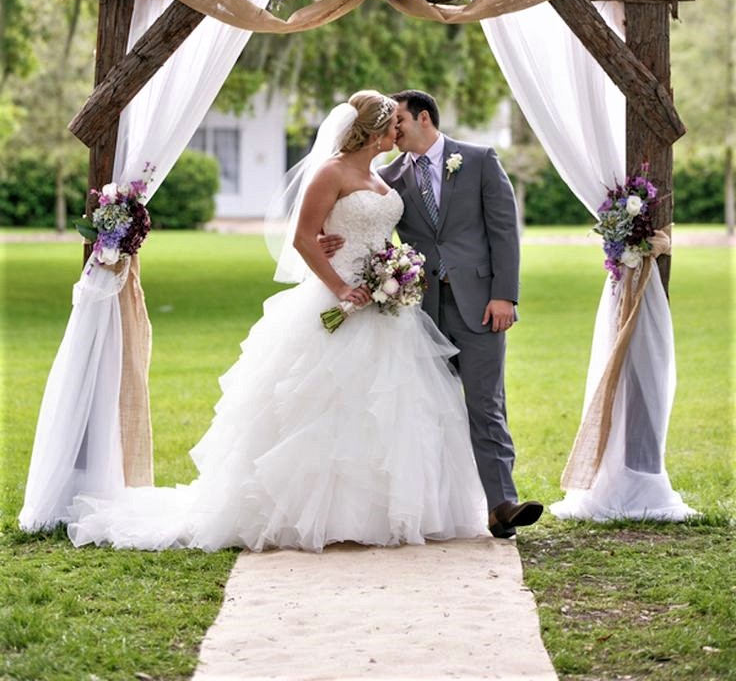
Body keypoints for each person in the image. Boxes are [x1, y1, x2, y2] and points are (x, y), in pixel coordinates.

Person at [66, 91, 488, 552]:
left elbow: (373, 232)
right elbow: (304, 237)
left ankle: (386, 511)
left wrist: (392, 271)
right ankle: (312, 514)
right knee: (324, 405)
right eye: (393, 125)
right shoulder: (331, 172)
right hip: (338, 298)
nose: (398, 132)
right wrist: (341, 287)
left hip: (385, 306)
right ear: (375, 131)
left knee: (392, 406)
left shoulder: (382, 176)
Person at [322, 90, 542, 539]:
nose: (393, 129)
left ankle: (502, 504)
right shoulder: (388, 177)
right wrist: (328, 238)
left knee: (486, 404)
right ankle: (435, 507)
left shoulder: (479, 160)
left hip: (481, 306)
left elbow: (504, 231)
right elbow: (356, 217)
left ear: (424, 118)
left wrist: (505, 295)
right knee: (427, 409)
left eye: (399, 120)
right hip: (417, 313)